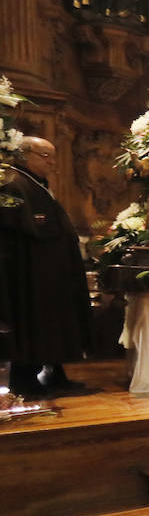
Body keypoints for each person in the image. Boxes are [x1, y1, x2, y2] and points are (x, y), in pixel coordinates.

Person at [0, 136, 91, 399]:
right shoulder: (14, 184)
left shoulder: (36, 184)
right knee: (35, 323)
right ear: (23, 153)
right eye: (45, 155)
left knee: (55, 322)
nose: (52, 162)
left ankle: (55, 372)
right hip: (31, 273)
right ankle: (26, 379)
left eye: (53, 155)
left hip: (51, 271)